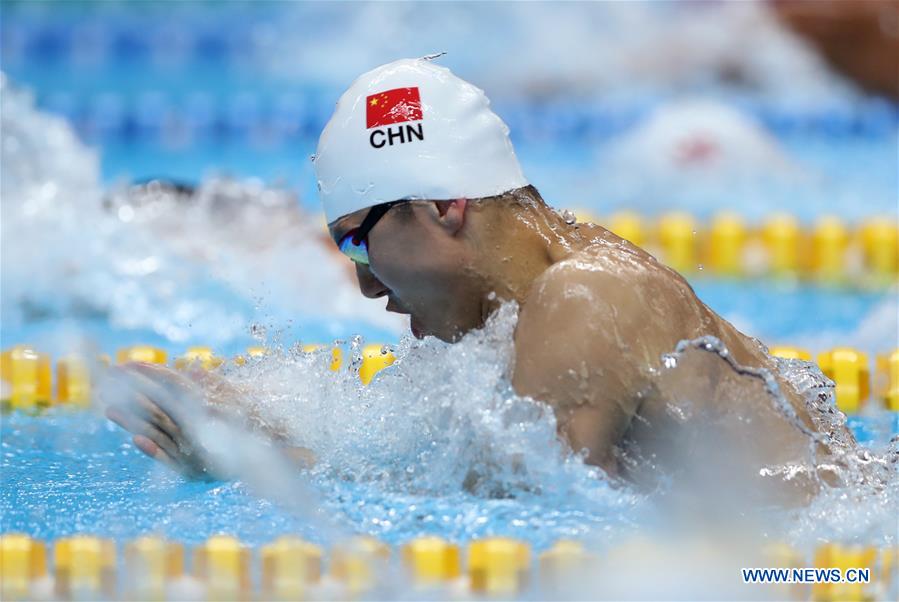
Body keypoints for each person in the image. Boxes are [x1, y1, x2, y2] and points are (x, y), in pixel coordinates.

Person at [105, 57, 852, 505]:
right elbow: (468, 467)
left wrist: (254, 460)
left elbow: (539, 510)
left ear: (442, 206)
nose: (365, 287)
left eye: (359, 244)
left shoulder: (583, 296)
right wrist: (264, 421)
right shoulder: (543, 295)